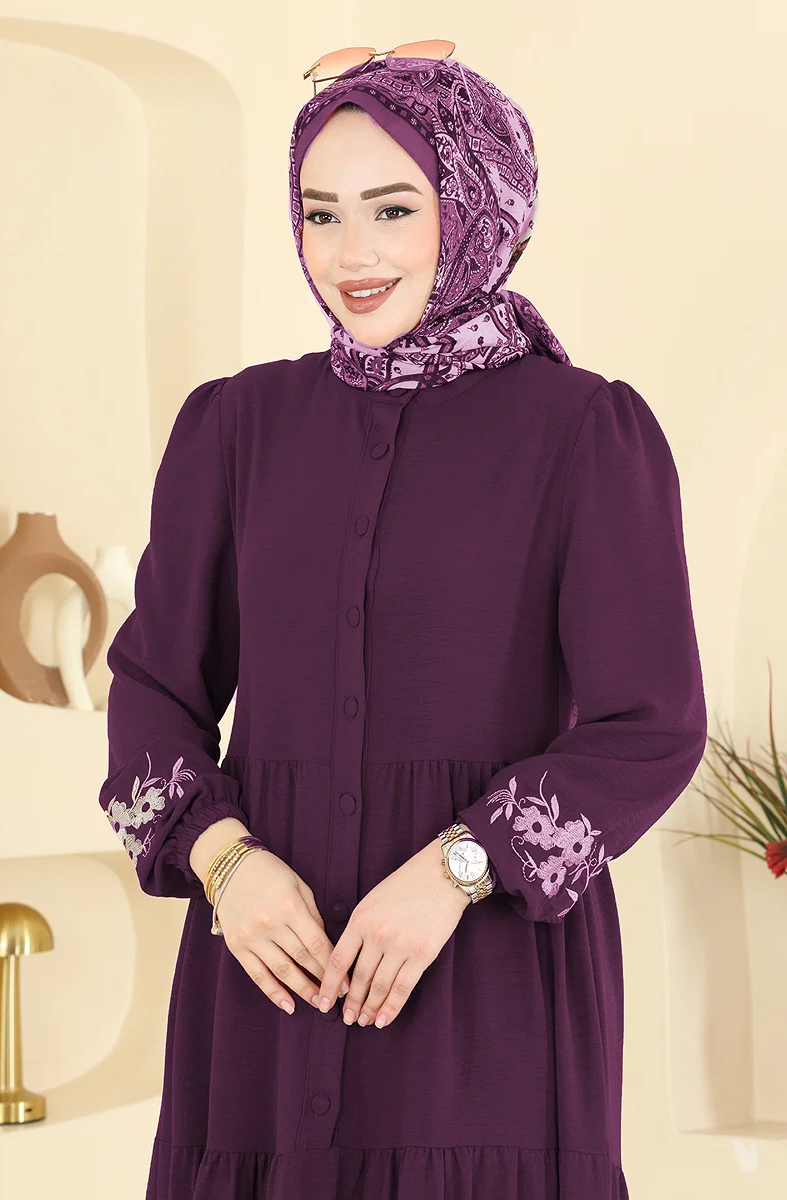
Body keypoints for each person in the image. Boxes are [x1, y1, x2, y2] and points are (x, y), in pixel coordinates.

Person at [99, 52, 707, 1200]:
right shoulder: (235, 426)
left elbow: (649, 726)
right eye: (320, 213)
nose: (350, 254)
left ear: (475, 207)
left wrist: (456, 870)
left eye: (392, 209)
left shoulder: (584, 431)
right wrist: (226, 864)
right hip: (266, 970)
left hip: (488, 982)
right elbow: (151, 691)